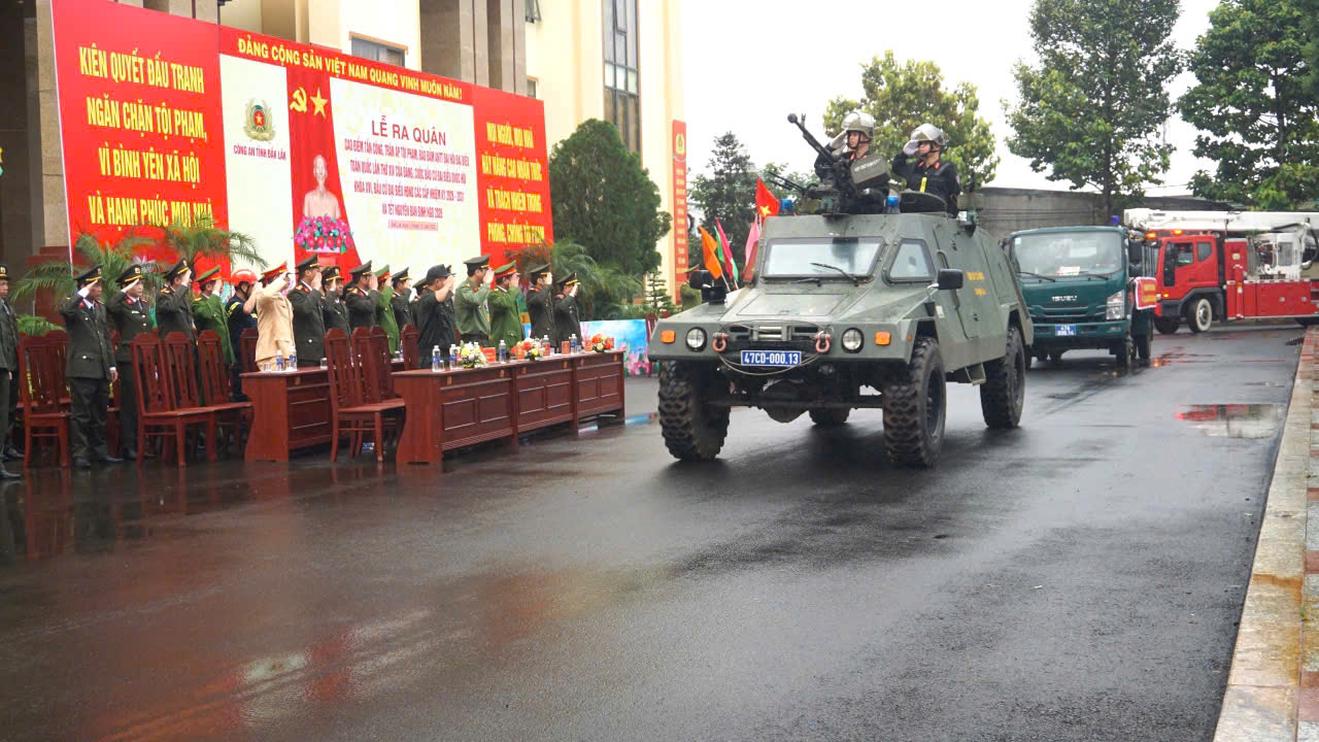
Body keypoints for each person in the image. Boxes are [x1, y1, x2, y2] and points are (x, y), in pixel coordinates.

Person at [59, 266, 120, 469]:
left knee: (99, 413)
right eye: (95, 285)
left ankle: (99, 452)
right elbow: (65, 310)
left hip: (101, 368)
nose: (99, 289)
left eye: (100, 285)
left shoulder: (99, 307)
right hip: (82, 369)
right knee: (82, 414)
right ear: (84, 287)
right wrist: (83, 292)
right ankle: (80, 454)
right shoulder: (74, 306)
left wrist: (111, 365)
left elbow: (105, 338)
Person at [106, 264, 153, 460]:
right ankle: (129, 445)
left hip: (144, 358)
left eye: (141, 282)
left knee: (145, 401)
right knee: (130, 403)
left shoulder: (144, 305)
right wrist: (124, 290)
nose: (140, 286)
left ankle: (142, 444)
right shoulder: (122, 305)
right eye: (135, 283)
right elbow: (110, 306)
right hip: (128, 358)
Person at [893, 123, 960, 215]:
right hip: (911, 217)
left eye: (924, 143)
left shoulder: (947, 169)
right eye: (919, 144)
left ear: (936, 145)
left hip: (936, 219)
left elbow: (955, 198)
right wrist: (904, 154)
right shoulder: (914, 168)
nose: (920, 146)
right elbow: (896, 167)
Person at [244, 263, 293, 371]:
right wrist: (280, 280)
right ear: (276, 279)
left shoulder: (283, 299)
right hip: (271, 354)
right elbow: (267, 294)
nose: (288, 280)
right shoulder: (263, 295)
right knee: (275, 382)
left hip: (285, 352)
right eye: (285, 277)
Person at [414, 264, 457, 367]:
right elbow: (438, 297)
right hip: (431, 355)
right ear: (437, 282)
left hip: (447, 352)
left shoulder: (445, 299)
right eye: (445, 279)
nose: (448, 282)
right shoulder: (425, 298)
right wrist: (448, 285)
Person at [287, 256, 325, 367]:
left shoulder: (312, 292)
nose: (320, 274)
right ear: (307, 272)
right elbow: (305, 309)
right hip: (307, 352)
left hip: (320, 350)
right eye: (317, 270)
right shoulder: (295, 293)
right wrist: (316, 289)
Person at [191, 266, 233, 366]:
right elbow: (207, 313)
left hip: (224, 354)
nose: (221, 287)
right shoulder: (197, 303)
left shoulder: (217, 301)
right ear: (209, 287)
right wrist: (215, 292)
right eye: (218, 284)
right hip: (210, 356)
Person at [0, 266, 18, 477]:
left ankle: (7, 445)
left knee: (8, 409)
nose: (5, 287)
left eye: (6, 283)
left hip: (11, 363)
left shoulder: (7, 307)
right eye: (1, 284)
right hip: (3, 364)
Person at [455, 255, 493, 345]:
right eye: (485, 270)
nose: (488, 274)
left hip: (483, 338)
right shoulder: (463, 288)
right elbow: (476, 301)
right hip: (472, 339)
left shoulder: (480, 288)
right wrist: (487, 284)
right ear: (477, 272)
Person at [155, 260, 195, 341]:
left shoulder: (182, 296)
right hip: (172, 344)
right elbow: (172, 307)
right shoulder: (163, 296)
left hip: (187, 343)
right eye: (187, 278)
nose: (190, 281)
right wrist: (183, 285)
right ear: (177, 280)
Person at [225, 269, 258, 366]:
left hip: (254, 352)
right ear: (244, 287)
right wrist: (255, 293)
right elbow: (246, 309)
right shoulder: (233, 303)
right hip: (242, 357)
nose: (254, 289)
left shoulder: (250, 303)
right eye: (252, 286)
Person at [488, 263, 523, 350]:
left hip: (515, 342)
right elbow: (505, 303)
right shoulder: (494, 294)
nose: (516, 281)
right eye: (513, 278)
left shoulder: (510, 294)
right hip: (503, 343)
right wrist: (513, 288)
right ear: (504, 280)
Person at [302, 154, 342, 219]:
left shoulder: (334, 199)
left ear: (326, 172)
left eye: (322, 167)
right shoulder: (308, 198)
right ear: (314, 171)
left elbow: (338, 221)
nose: (320, 170)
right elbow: (305, 220)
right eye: (318, 167)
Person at [526, 263, 556, 342]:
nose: (549, 280)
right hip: (539, 339)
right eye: (546, 277)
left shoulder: (544, 293)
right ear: (539, 280)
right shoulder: (531, 294)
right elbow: (539, 300)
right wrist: (547, 285)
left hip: (550, 338)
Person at [345, 261, 379, 330]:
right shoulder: (352, 296)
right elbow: (369, 306)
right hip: (360, 335)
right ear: (362, 279)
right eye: (370, 277)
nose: (373, 280)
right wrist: (374, 289)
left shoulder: (366, 294)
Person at [375, 265, 400, 352]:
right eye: (389, 284)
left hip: (392, 343)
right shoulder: (377, 298)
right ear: (383, 284)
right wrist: (388, 288)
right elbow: (382, 304)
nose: (391, 287)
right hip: (384, 344)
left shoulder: (386, 297)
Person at [553, 272, 582, 346]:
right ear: (566, 287)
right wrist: (571, 294)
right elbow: (561, 308)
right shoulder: (558, 300)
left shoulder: (571, 300)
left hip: (575, 342)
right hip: (565, 343)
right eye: (573, 287)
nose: (576, 290)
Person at [320, 265, 350, 332]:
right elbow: (328, 309)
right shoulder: (323, 302)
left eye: (341, 283)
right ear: (327, 287)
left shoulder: (341, 302)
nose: (341, 286)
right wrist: (331, 290)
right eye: (337, 284)